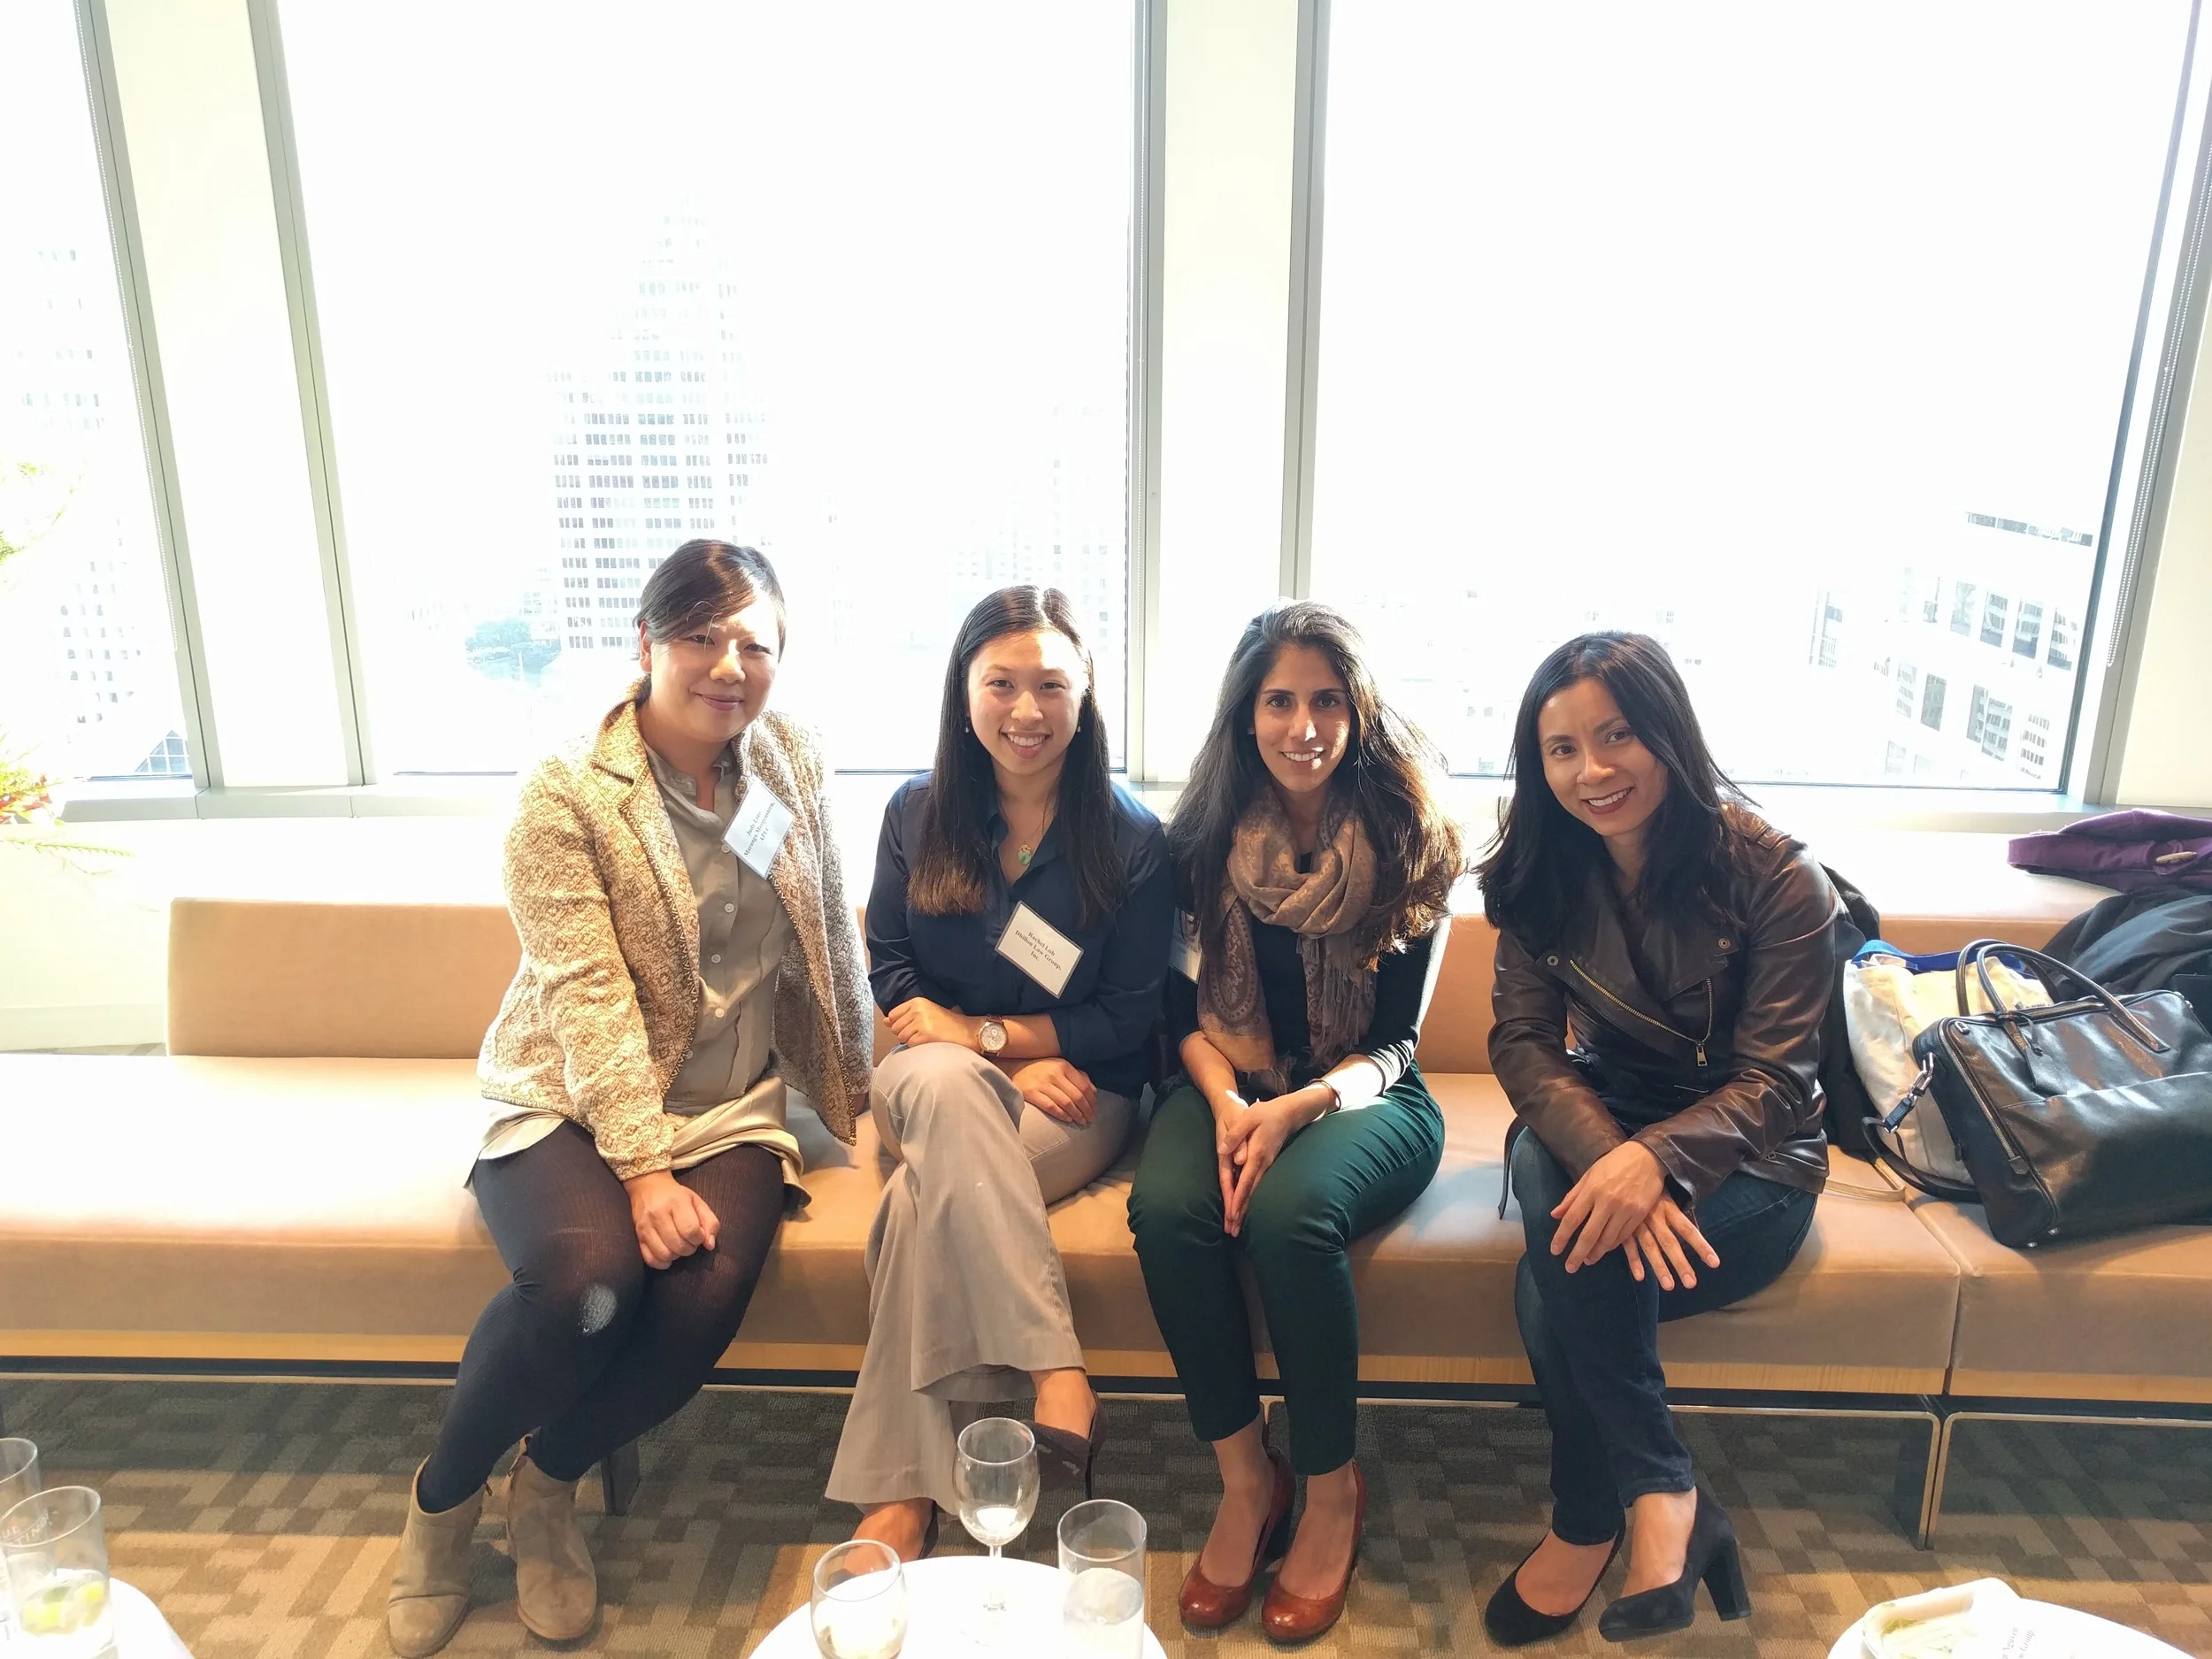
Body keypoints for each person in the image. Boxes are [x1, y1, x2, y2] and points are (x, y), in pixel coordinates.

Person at [385, 541, 873, 1657]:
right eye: (701, 636)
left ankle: (547, 1485)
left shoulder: (786, 756)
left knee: (700, 1299)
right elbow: (586, 993)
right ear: (646, 642)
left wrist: (863, 1074)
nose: (729, 666)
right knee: (587, 1289)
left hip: (729, 1099)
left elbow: (824, 924)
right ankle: (443, 1498)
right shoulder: (567, 791)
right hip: (569, 1090)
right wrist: (645, 1171)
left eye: (755, 644)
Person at [1479, 631, 1847, 1646]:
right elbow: (1521, 1042)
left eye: (1616, 737)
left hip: (1755, 1158)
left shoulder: (1776, 876)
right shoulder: (1540, 869)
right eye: (1561, 750)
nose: (1591, 771)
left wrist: (1660, 1163)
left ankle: (1595, 1517)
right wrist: (1617, 1160)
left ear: (1666, 734)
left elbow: (1778, 1080)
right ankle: (1663, 1494)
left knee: (1554, 1275)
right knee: (1553, 1173)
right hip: (1605, 1115)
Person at [1127, 601, 1463, 1644]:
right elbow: (1181, 1018)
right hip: (1227, 1080)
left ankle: (1328, 1491)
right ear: (1246, 714)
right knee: (1167, 1210)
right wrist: (1232, 1104)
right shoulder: (1198, 841)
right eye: (1279, 702)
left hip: (1365, 1093)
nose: (1303, 726)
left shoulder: (1409, 839)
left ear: (1359, 713)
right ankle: (1247, 1480)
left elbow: (1398, 1043)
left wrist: (1296, 1109)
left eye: (1326, 702)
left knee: (1288, 1219)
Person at [826, 585, 1175, 1560]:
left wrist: (986, 1041)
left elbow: (1127, 1016)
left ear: (1086, 693)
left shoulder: (1134, 841)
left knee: (917, 1207)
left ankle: (904, 1493)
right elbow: (893, 970)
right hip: (931, 1073)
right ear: (964, 691)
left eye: (1051, 685)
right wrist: (999, 1059)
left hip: (1081, 1091)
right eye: (1001, 684)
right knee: (945, 1088)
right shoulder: (916, 812)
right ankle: (1055, 1367)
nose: (1027, 710)